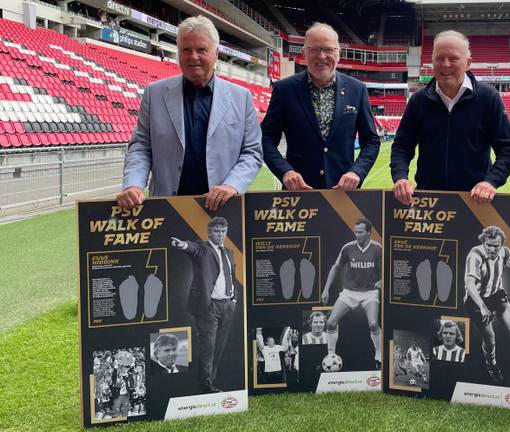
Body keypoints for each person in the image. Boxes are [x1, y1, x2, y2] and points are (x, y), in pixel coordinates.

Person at [118, 15, 263, 211]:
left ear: (216, 53)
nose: (193, 57)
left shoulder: (241, 97)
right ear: (178, 52)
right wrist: (133, 184)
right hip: (168, 209)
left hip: (222, 208)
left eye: (201, 49)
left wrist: (231, 185)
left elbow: (252, 153)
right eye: (186, 50)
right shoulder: (154, 93)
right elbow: (141, 146)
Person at [390, 30, 510, 205]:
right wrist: (400, 177)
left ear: (468, 63)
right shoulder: (419, 100)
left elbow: (507, 150)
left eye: (453, 58)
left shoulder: (488, 97)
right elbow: (402, 147)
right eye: (439, 58)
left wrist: (490, 182)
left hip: (475, 202)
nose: (445, 64)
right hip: (429, 201)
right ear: (432, 62)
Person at [261, 22, 380, 190]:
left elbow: (372, 141)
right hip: (299, 194)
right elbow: (265, 138)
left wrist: (357, 172)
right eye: (314, 50)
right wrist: (285, 171)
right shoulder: (284, 89)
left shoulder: (357, 89)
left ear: (339, 53)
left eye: (328, 49)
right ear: (304, 53)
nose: (321, 56)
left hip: (343, 194)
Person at [170, 217, 239, 393]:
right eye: (216, 231)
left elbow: (231, 277)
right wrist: (183, 245)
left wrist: (233, 299)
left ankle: (210, 380)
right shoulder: (203, 248)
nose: (220, 235)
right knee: (208, 346)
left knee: (219, 346)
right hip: (209, 307)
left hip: (227, 305)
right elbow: (191, 247)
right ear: (209, 232)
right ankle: (205, 384)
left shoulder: (229, 253)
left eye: (223, 231)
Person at [464, 226, 510, 388]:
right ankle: (492, 365)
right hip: (476, 301)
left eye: (496, 246)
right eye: (489, 245)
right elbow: (469, 285)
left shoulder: (505, 252)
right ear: (483, 243)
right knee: (490, 339)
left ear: (501, 245)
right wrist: (482, 307)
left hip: (496, 295)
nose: (492, 249)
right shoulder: (475, 255)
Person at [321, 218, 382, 369]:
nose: (357, 235)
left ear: (369, 232)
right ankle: (331, 355)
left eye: (360, 232)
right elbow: (336, 267)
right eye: (355, 232)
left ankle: (379, 355)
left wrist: (382, 281)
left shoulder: (378, 248)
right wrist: (326, 289)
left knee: (373, 324)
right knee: (330, 322)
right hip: (349, 292)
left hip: (370, 293)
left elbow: (391, 267)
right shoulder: (348, 248)